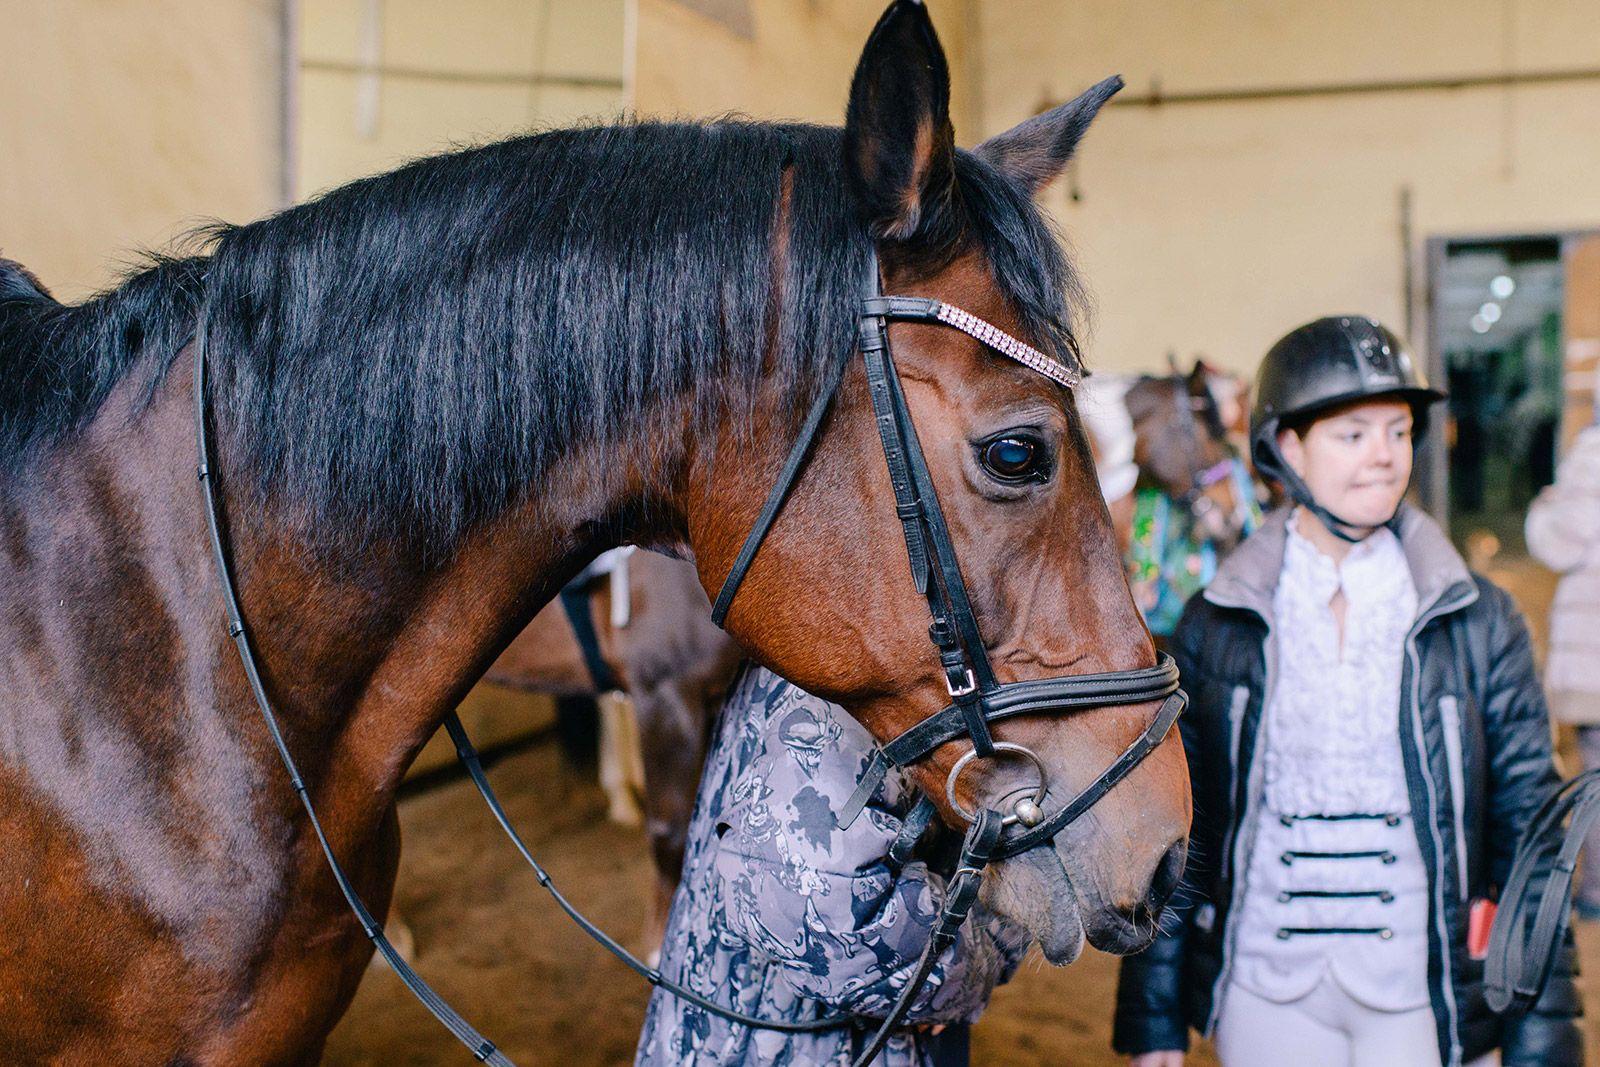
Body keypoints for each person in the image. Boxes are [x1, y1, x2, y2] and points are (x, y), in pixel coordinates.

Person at [1112, 317, 1583, 1067]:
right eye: (1353, 434)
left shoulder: (1481, 618)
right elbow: (1179, 824)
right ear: (1286, 448)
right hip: (1268, 986)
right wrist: (1155, 1012)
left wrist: (1538, 1033)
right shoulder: (1216, 620)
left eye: (1397, 431)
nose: (1385, 458)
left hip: (1418, 990)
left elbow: (1527, 827)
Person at [635, 664, 1029, 1066]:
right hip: (802, 1037)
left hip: (735, 1024)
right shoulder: (852, 662)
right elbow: (820, 905)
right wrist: (966, 976)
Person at [1525, 394, 1600, 922]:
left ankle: (1595, 888)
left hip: (1593, 650)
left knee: (1594, 775)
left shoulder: (1591, 457)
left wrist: (1545, 507)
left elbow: (1559, 543)